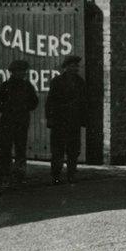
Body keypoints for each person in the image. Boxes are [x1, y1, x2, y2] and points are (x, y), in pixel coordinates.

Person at [0, 59, 39, 181]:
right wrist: (7, 109)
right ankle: (4, 172)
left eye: (23, 71)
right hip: (8, 121)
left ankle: (19, 173)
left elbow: (34, 102)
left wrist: (24, 108)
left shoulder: (27, 86)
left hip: (21, 121)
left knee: (20, 147)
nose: (22, 73)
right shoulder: (6, 86)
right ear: (12, 72)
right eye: (19, 71)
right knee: (5, 147)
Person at [46, 55, 86, 184]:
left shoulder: (80, 82)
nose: (75, 68)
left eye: (76, 66)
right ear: (66, 67)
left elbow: (84, 102)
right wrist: (50, 118)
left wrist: (83, 119)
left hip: (74, 121)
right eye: (72, 66)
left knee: (73, 150)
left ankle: (71, 174)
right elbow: (50, 101)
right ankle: (56, 175)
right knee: (58, 150)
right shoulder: (57, 81)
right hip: (59, 121)